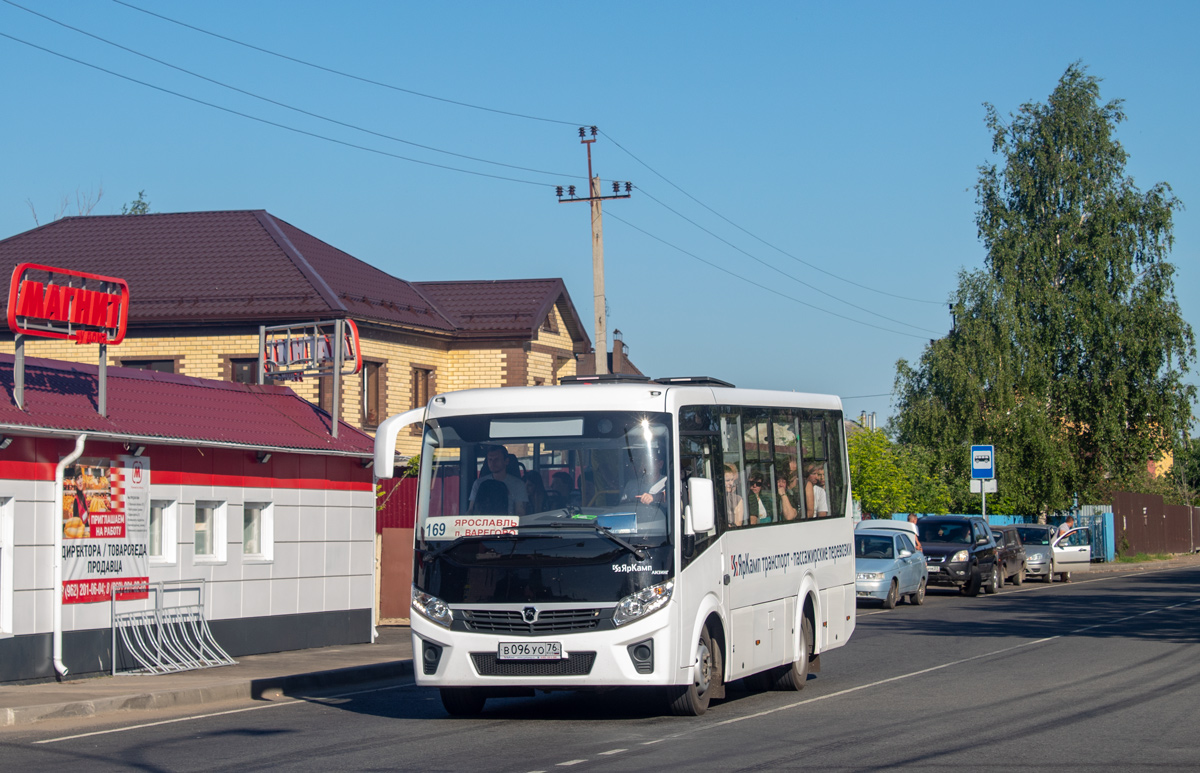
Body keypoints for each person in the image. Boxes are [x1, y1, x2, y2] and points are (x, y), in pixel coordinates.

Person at [468, 445, 528, 515]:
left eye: (496, 459)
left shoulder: (518, 485)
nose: (492, 463)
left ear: (506, 461)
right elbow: (471, 510)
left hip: (508, 525)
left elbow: (520, 513)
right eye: (490, 459)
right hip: (482, 524)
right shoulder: (478, 483)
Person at [1056, 515, 1076, 582]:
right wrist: (1071, 533)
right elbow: (1061, 534)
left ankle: (1064, 577)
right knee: (1067, 562)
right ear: (1071, 522)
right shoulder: (1064, 526)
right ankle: (1065, 578)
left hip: (1062, 546)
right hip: (1059, 547)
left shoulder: (1066, 526)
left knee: (1066, 562)